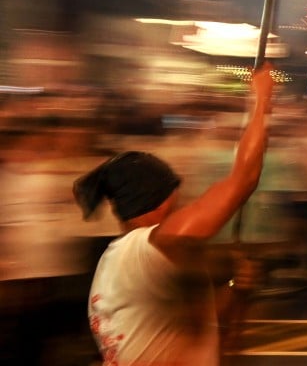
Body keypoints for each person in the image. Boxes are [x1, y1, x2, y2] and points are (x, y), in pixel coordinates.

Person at [72, 64, 274, 366]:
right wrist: (262, 99)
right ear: (159, 200)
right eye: (176, 194)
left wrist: (236, 289)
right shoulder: (149, 245)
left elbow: (192, 326)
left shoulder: (126, 260)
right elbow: (244, 179)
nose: (184, 203)